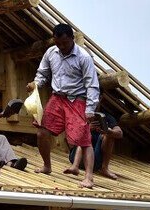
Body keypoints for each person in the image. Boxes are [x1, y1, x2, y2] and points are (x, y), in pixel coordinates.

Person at [26, 23, 99, 189]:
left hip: (77, 99)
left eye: (65, 43)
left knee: (83, 140)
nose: (62, 46)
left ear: (72, 39)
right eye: (58, 43)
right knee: (41, 132)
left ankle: (89, 177)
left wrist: (90, 109)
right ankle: (47, 166)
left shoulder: (84, 57)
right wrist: (35, 84)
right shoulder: (51, 53)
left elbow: (92, 85)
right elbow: (42, 73)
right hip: (57, 98)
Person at [66, 110, 123, 181]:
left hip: (96, 162)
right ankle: (75, 166)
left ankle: (104, 168)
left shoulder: (106, 116)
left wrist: (108, 131)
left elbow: (120, 133)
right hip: (75, 156)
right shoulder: (80, 112)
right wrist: (87, 128)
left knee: (109, 135)